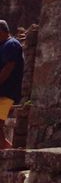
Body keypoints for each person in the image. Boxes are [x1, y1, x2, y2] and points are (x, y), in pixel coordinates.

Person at [0, 20, 24, 150]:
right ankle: (10, 151)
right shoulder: (3, 45)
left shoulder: (11, 44)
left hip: (7, 92)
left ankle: (11, 153)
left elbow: (8, 68)